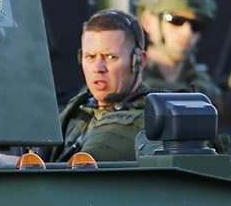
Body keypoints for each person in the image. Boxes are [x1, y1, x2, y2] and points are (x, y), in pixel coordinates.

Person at [54, 10, 155, 161]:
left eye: (110, 57)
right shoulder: (77, 110)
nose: (98, 68)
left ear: (139, 61)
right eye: (90, 57)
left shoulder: (149, 118)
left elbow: (79, 171)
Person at [134, 0, 221, 100]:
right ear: (148, 22)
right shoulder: (128, 79)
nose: (187, 32)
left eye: (196, 25)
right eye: (176, 20)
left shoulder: (204, 83)